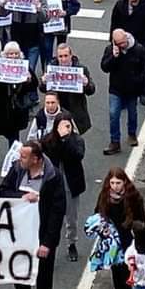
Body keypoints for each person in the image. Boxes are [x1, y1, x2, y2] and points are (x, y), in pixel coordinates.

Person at [0, 139, 66, 289]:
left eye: (24, 156)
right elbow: (3, 191)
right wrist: (21, 197)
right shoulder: (17, 170)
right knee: (18, 272)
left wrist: (48, 242)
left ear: (36, 159)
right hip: (19, 234)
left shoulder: (53, 177)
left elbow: (57, 211)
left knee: (44, 278)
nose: (20, 159)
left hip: (41, 234)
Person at [94, 168, 145, 289]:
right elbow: (97, 214)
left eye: (118, 183)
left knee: (127, 274)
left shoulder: (133, 198)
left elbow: (141, 221)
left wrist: (141, 242)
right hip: (111, 241)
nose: (115, 186)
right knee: (116, 272)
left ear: (124, 182)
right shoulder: (105, 197)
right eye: (112, 183)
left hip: (128, 240)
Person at [42, 112, 86, 262]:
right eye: (62, 126)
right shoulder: (49, 140)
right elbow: (45, 154)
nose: (65, 128)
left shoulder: (77, 140)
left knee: (71, 217)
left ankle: (71, 243)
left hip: (70, 184)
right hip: (53, 184)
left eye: (68, 125)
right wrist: (59, 139)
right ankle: (49, 246)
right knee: (51, 218)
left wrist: (66, 140)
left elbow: (77, 155)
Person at [100, 29, 145, 155]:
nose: (123, 45)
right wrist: (114, 57)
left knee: (132, 113)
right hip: (116, 88)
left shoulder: (138, 49)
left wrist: (140, 84)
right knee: (113, 114)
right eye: (119, 43)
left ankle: (132, 134)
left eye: (124, 42)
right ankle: (114, 141)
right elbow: (105, 67)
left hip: (132, 89)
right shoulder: (110, 50)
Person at [0, 42, 38, 149]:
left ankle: (14, 156)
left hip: (18, 106)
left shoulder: (23, 66)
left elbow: (34, 85)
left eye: (15, 54)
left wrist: (29, 80)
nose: (13, 56)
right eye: (10, 54)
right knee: (7, 133)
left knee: (14, 134)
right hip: (2, 106)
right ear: (5, 55)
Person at [40, 41, 96, 135]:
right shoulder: (51, 68)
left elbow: (91, 91)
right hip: (57, 111)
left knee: (74, 144)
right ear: (57, 57)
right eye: (60, 56)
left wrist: (86, 84)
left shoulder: (81, 69)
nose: (63, 59)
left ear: (71, 55)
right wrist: (43, 82)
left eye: (66, 56)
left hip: (75, 111)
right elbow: (43, 89)